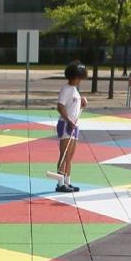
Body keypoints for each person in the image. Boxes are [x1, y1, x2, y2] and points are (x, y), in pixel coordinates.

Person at [54, 62, 86, 194]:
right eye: (78, 78)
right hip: (66, 124)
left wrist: (83, 102)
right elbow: (60, 106)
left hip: (74, 125)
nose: (79, 80)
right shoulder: (66, 89)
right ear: (73, 76)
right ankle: (60, 183)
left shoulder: (75, 90)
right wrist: (69, 120)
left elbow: (75, 107)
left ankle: (67, 181)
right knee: (64, 154)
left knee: (70, 155)